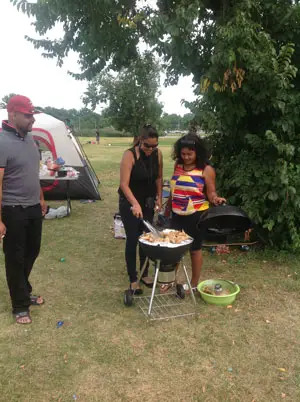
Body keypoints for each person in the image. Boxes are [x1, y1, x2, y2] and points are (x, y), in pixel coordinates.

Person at [0, 95, 47, 324]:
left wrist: (41, 197)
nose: (32, 120)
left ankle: (23, 289)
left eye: (32, 116)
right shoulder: (1, 142)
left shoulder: (30, 140)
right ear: (13, 114)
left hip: (32, 206)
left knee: (33, 250)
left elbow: (33, 172)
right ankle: (20, 304)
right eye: (28, 116)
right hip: (12, 208)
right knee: (15, 257)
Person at [164, 133, 225, 292]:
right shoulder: (178, 165)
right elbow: (174, 188)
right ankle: (170, 280)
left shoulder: (206, 169)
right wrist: (167, 208)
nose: (186, 157)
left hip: (197, 215)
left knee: (194, 250)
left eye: (190, 154)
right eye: (183, 154)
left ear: (198, 152)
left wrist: (216, 199)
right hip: (177, 214)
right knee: (173, 249)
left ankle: (194, 283)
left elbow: (211, 193)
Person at [119, 124, 163, 293]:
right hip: (129, 203)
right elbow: (124, 184)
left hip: (148, 202)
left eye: (154, 146)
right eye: (147, 146)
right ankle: (133, 278)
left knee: (146, 237)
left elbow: (159, 177)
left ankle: (145, 273)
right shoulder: (129, 155)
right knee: (132, 238)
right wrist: (134, 203)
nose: (150, 150)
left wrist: (159, 196)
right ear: (140, 140)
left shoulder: (157, 154)